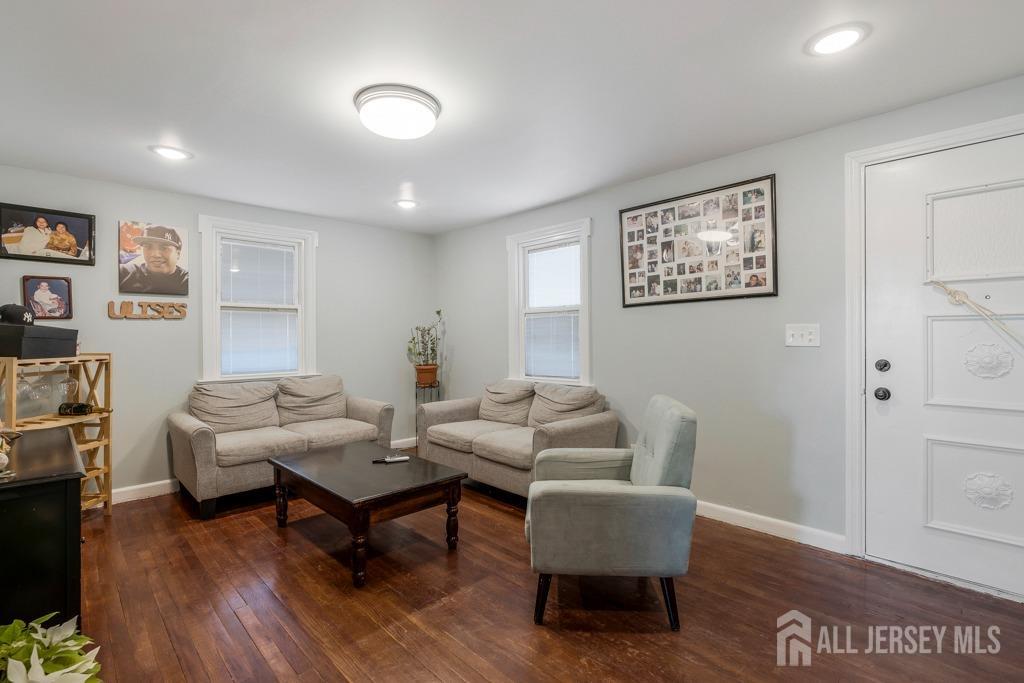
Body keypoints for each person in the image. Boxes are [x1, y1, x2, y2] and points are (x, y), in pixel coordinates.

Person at [118, 225, 189, 295]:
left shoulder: (187, 281)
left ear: (178, 254)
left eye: (164, 248)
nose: (155, 254)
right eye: (148, 247)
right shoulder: (123, 273)